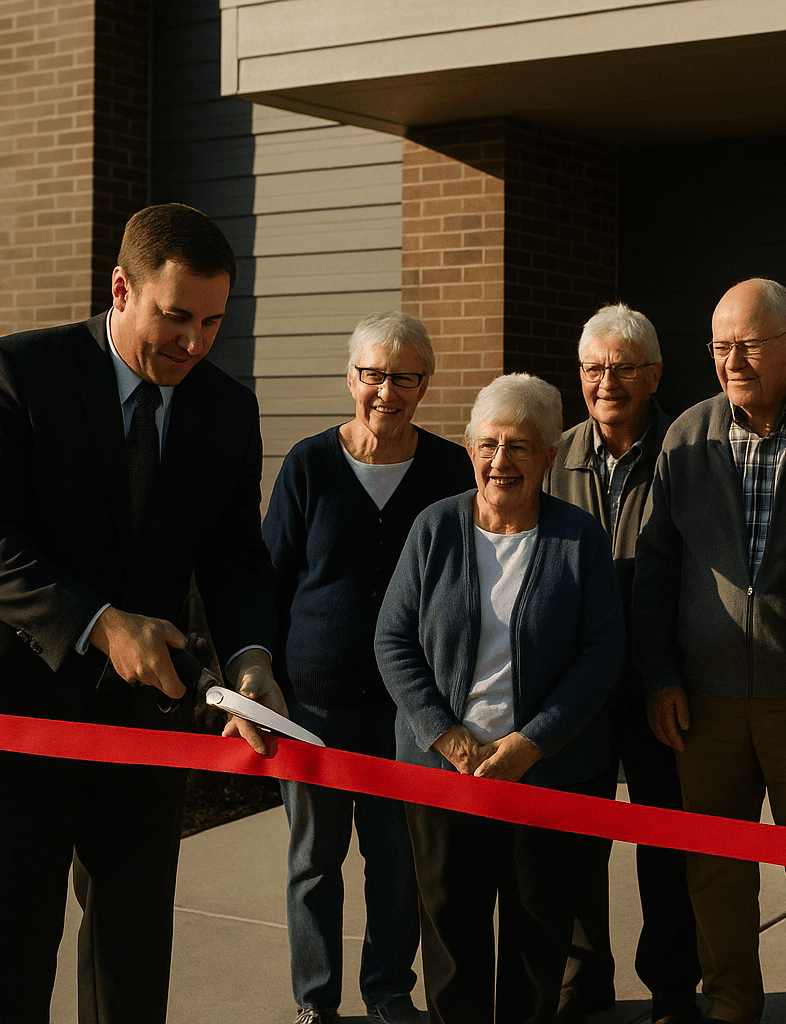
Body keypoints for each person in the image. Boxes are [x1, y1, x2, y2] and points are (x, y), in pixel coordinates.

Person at [0, 203, 288, 1024]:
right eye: (175, 317)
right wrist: (105, 623)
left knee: (130, 975)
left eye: (213, 322)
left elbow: (234, 559)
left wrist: (252, 660)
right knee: (3, 981)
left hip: (139, 727)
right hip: (1, 716)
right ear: (121, 289)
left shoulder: (226, 409)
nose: (195, 343)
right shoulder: (12, 371)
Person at [632, 278, 786, 1024]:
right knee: (715, 868)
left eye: (750, 345)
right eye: (720, 347)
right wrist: (661, 676)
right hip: (706, 699)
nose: (732, 362)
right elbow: (656, 567)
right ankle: (731, 1005)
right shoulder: (688, 435)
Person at [376, 373, 624, 1024]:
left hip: (546, 775)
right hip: (442, 775)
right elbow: (392, 640)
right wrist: (446, 735)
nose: (500, 460)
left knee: (536, 948)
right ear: (469, 450)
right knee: (451, 943)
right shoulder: (434, 528)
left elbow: (601, 656)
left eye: (519, 445)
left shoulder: (579, 538)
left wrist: (531, 743)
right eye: (488, 444)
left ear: (549, 456)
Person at [263, 311, 474, 1024]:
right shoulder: (309, 465)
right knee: (314, 862)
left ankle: (387, 992)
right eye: (373, 375)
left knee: (398, 861)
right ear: (350, 378)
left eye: (405, 378)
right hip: (313, 705)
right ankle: (315, 1002)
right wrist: (262, 684)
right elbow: (270, 580)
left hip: (408, 709)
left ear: (426, 385)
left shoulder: (449, 470)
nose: (387, 392)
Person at [543, 304, 701, 1024]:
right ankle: (584, 976)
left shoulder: (688, 450)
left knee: (666, 839)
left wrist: (667, 672)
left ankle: (672, 985)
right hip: (577, 683)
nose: (606, 382)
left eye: (622, 368)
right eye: (592, 369)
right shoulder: (555, 454)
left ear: (655, 374)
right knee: (577, 836)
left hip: (660, 680)